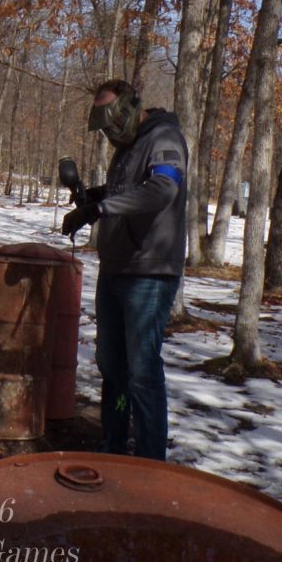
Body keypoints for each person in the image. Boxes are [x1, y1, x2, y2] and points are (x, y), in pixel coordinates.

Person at [62, 79, 187, 462]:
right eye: (105, 127)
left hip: (149, 270)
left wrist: (102, 208)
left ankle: (150, 462)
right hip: (115, 267)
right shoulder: (127, 148)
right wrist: (96, 195)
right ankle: (114, 445)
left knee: (142, 371)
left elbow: (163, 188)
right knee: (112, 366)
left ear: (132, 108)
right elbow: (127, 189)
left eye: (113, 123)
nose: (110, 133)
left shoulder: (164, 137)